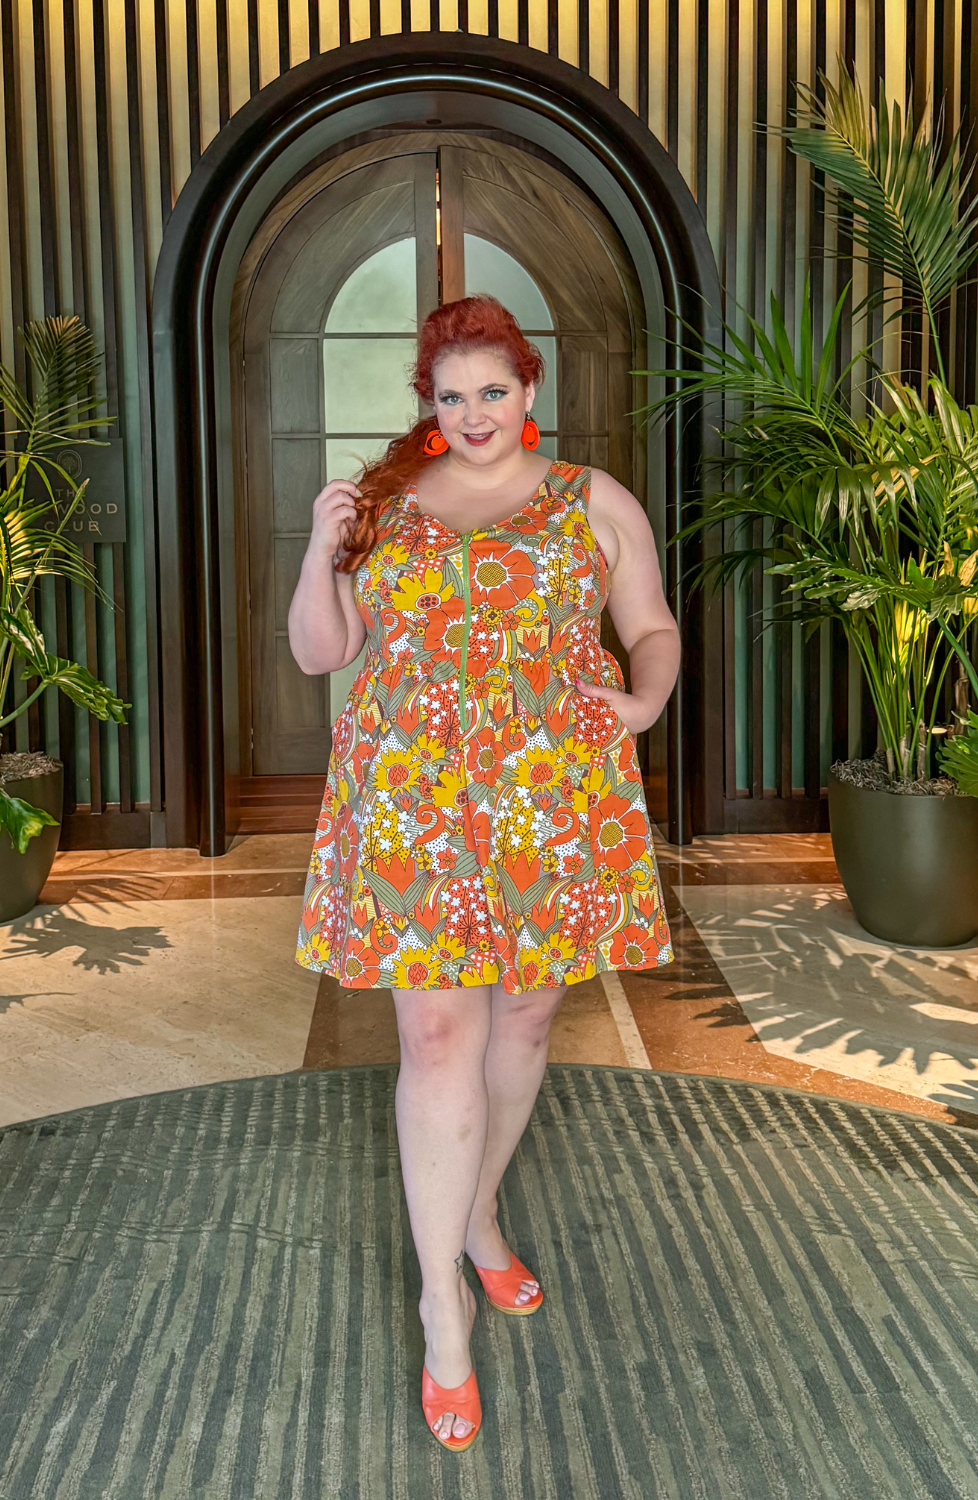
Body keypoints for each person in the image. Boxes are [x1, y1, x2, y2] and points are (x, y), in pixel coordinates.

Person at [288, 294, 680, 1452]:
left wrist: (644, 699)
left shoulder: (589, 501)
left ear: (529, 389)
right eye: (449, 397)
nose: (471, 414)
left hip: (553, 799)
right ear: (429, 406)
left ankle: (479, 1212)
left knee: (523, 1024)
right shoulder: (385, 506)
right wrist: (318, 549)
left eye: (491, 392)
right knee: (439, 1039)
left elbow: (650, 625)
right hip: (414, 802)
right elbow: (323, 648)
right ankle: (440, 1302)